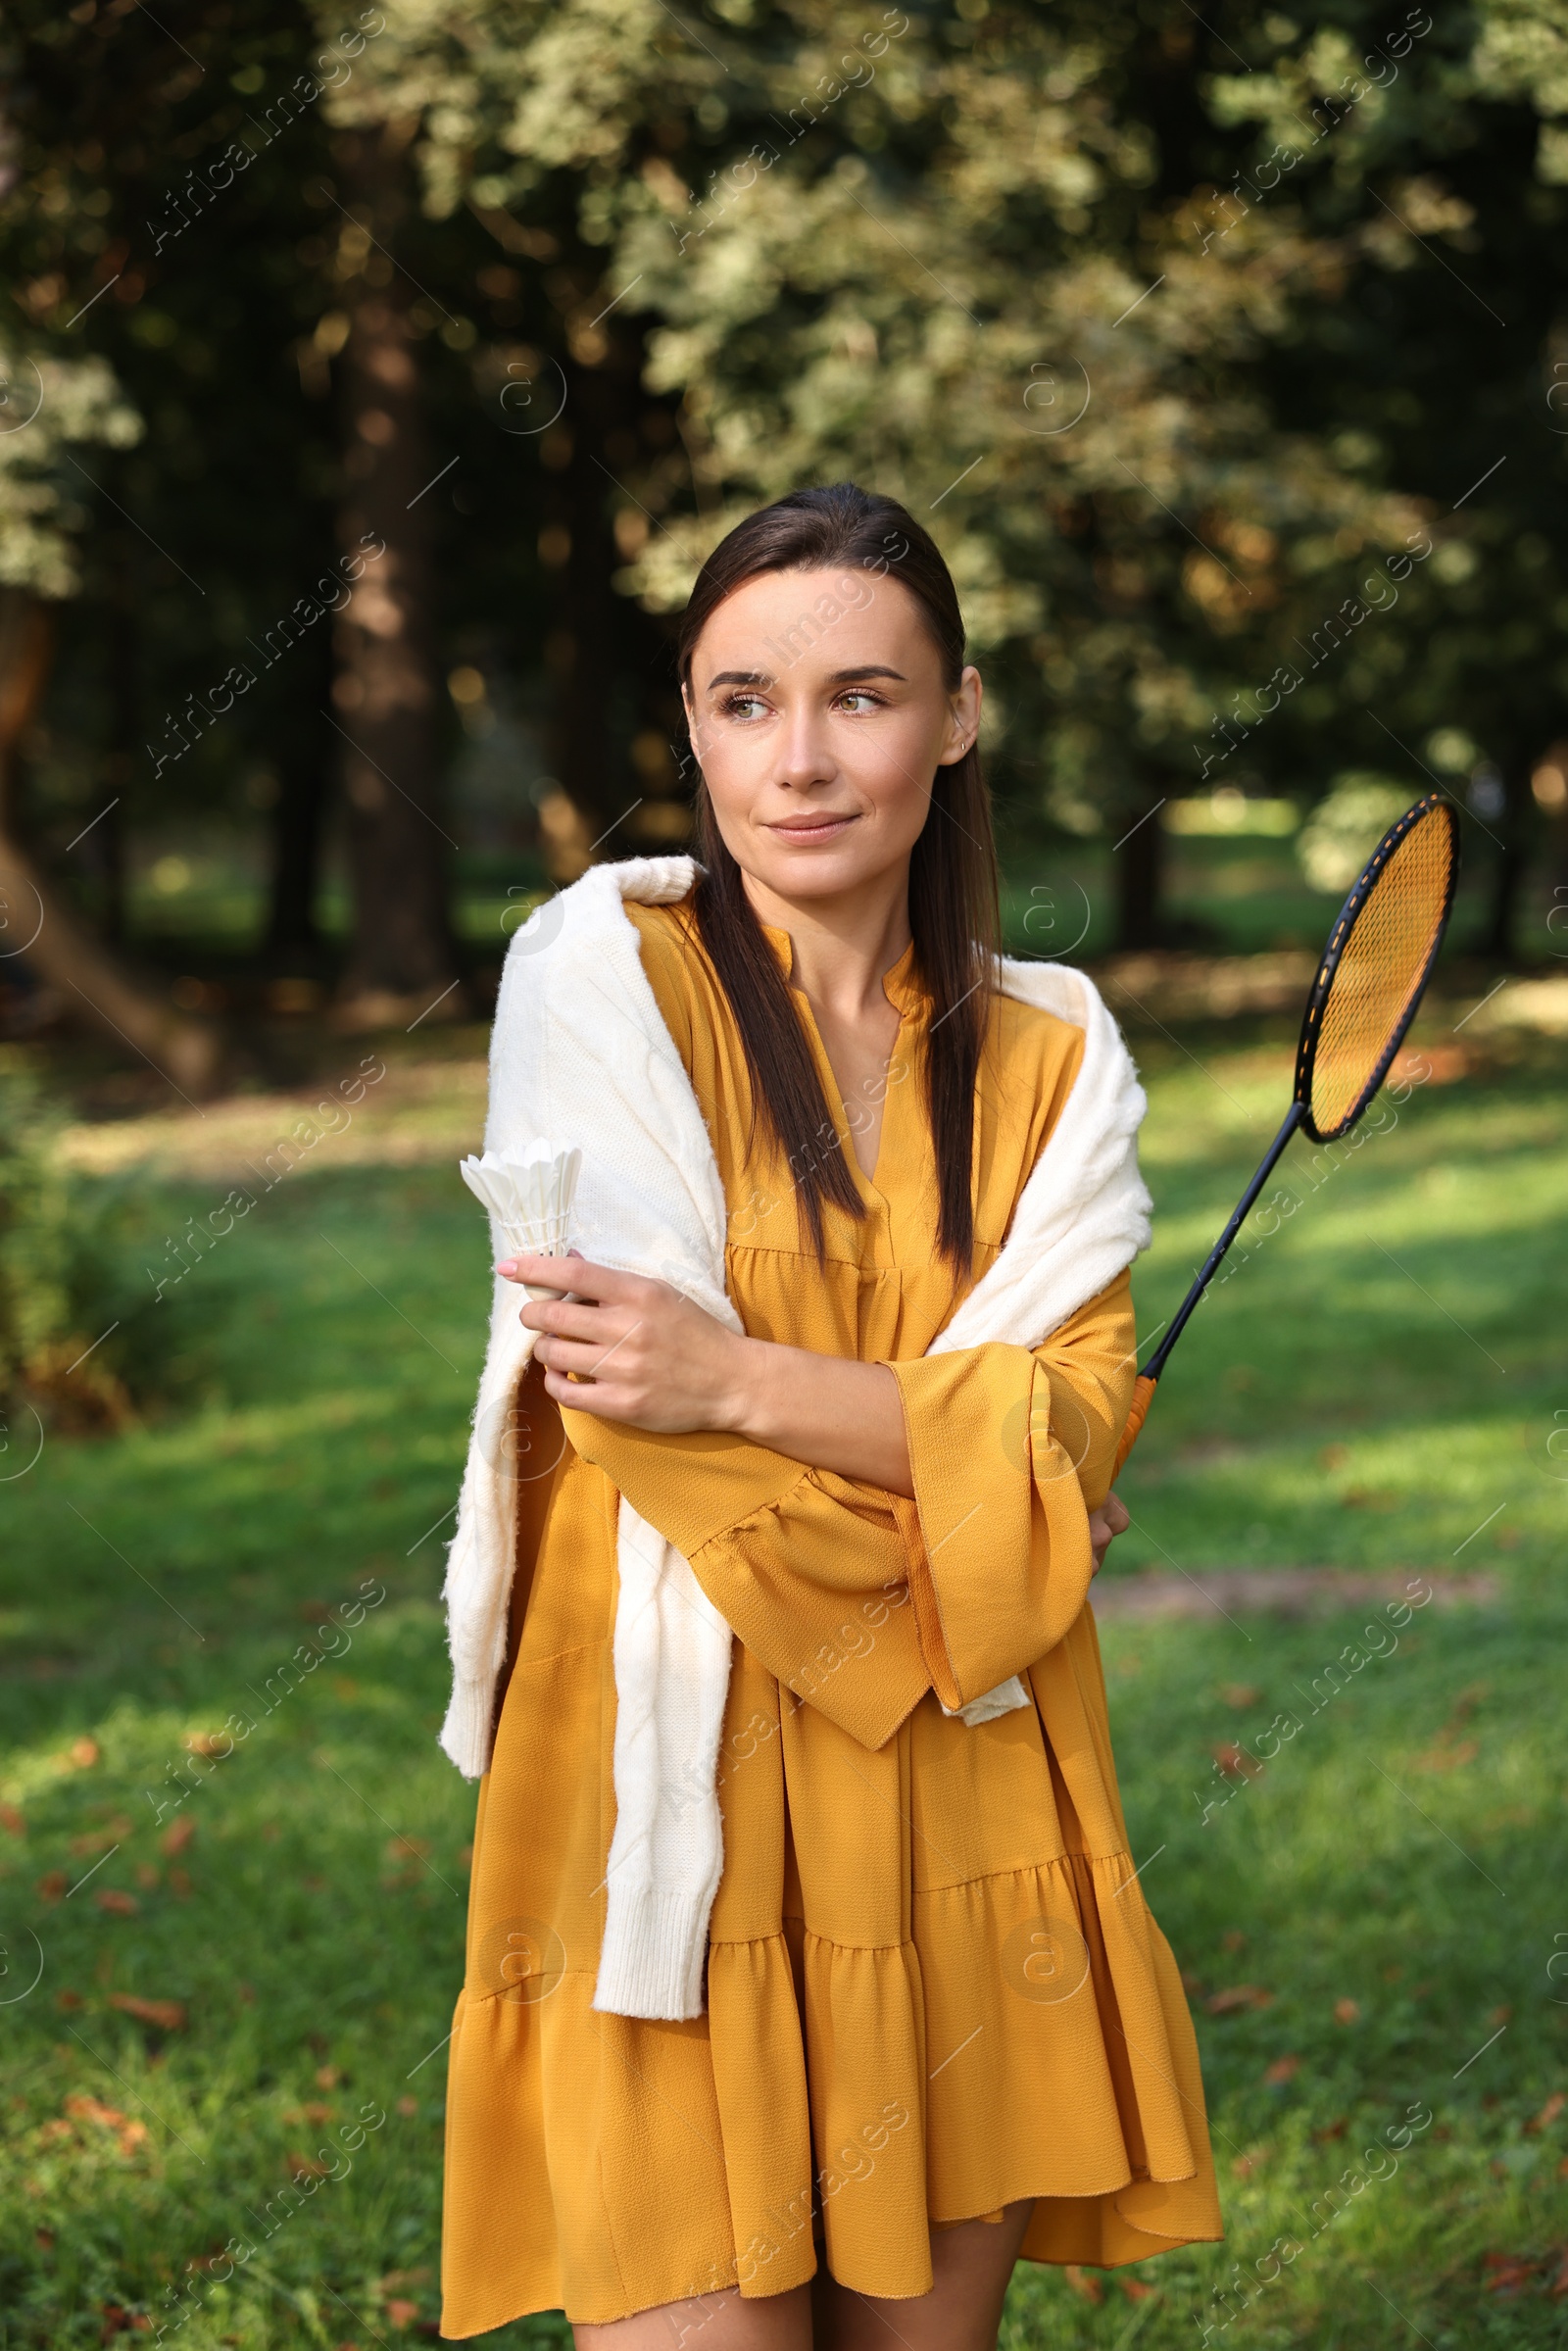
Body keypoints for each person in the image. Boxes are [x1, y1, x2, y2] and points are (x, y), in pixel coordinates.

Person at [438, 483, 1222, 2348]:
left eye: (862, 698)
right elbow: (622, 1395)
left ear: (955, 716)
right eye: (741, 702)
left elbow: (1074, 1418)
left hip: (959, 1802)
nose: (798, 761)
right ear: (692, 722)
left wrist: (756, 1382)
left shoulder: (1055, 1058)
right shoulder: (602, 979)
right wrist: (985, 1492)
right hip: (672, 1792)